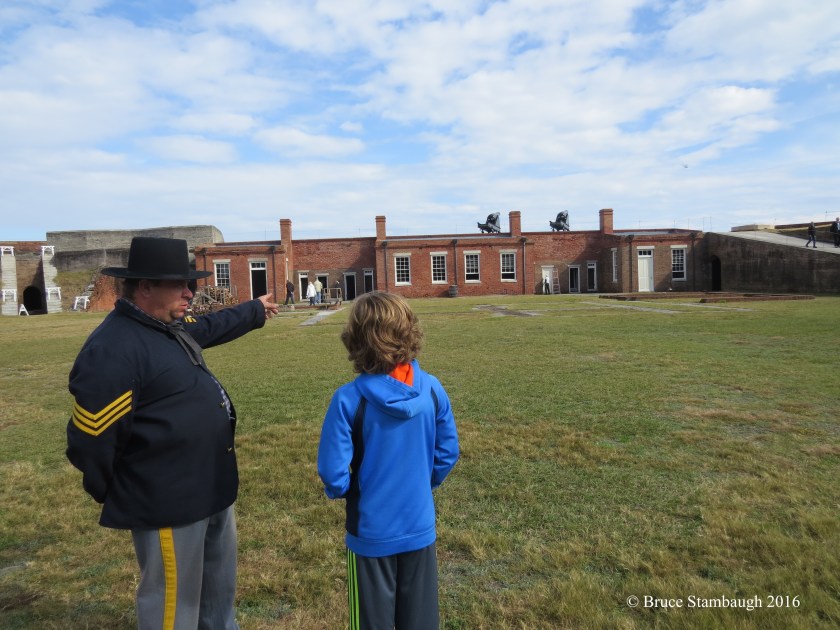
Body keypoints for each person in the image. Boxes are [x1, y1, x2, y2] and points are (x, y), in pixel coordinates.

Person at [66, 237, 279, 630]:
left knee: (217, 603)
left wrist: (253, 311)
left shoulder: (165, 326)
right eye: (179, 285)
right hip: (166, 500)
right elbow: (91, 439)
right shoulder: (114, 347)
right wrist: (136, 490)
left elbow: (211, 325)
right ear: (144, 286)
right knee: (173, 610)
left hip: (211, 489)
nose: (189, 293)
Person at [317, 292, 459, 630]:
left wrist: (343, 491)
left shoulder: (348, 399)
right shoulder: (433, 390)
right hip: (419, 525)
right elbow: (447, 452)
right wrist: (425, 484)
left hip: (371, 531)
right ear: (409, 332)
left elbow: (333, 472)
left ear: (355, 338)